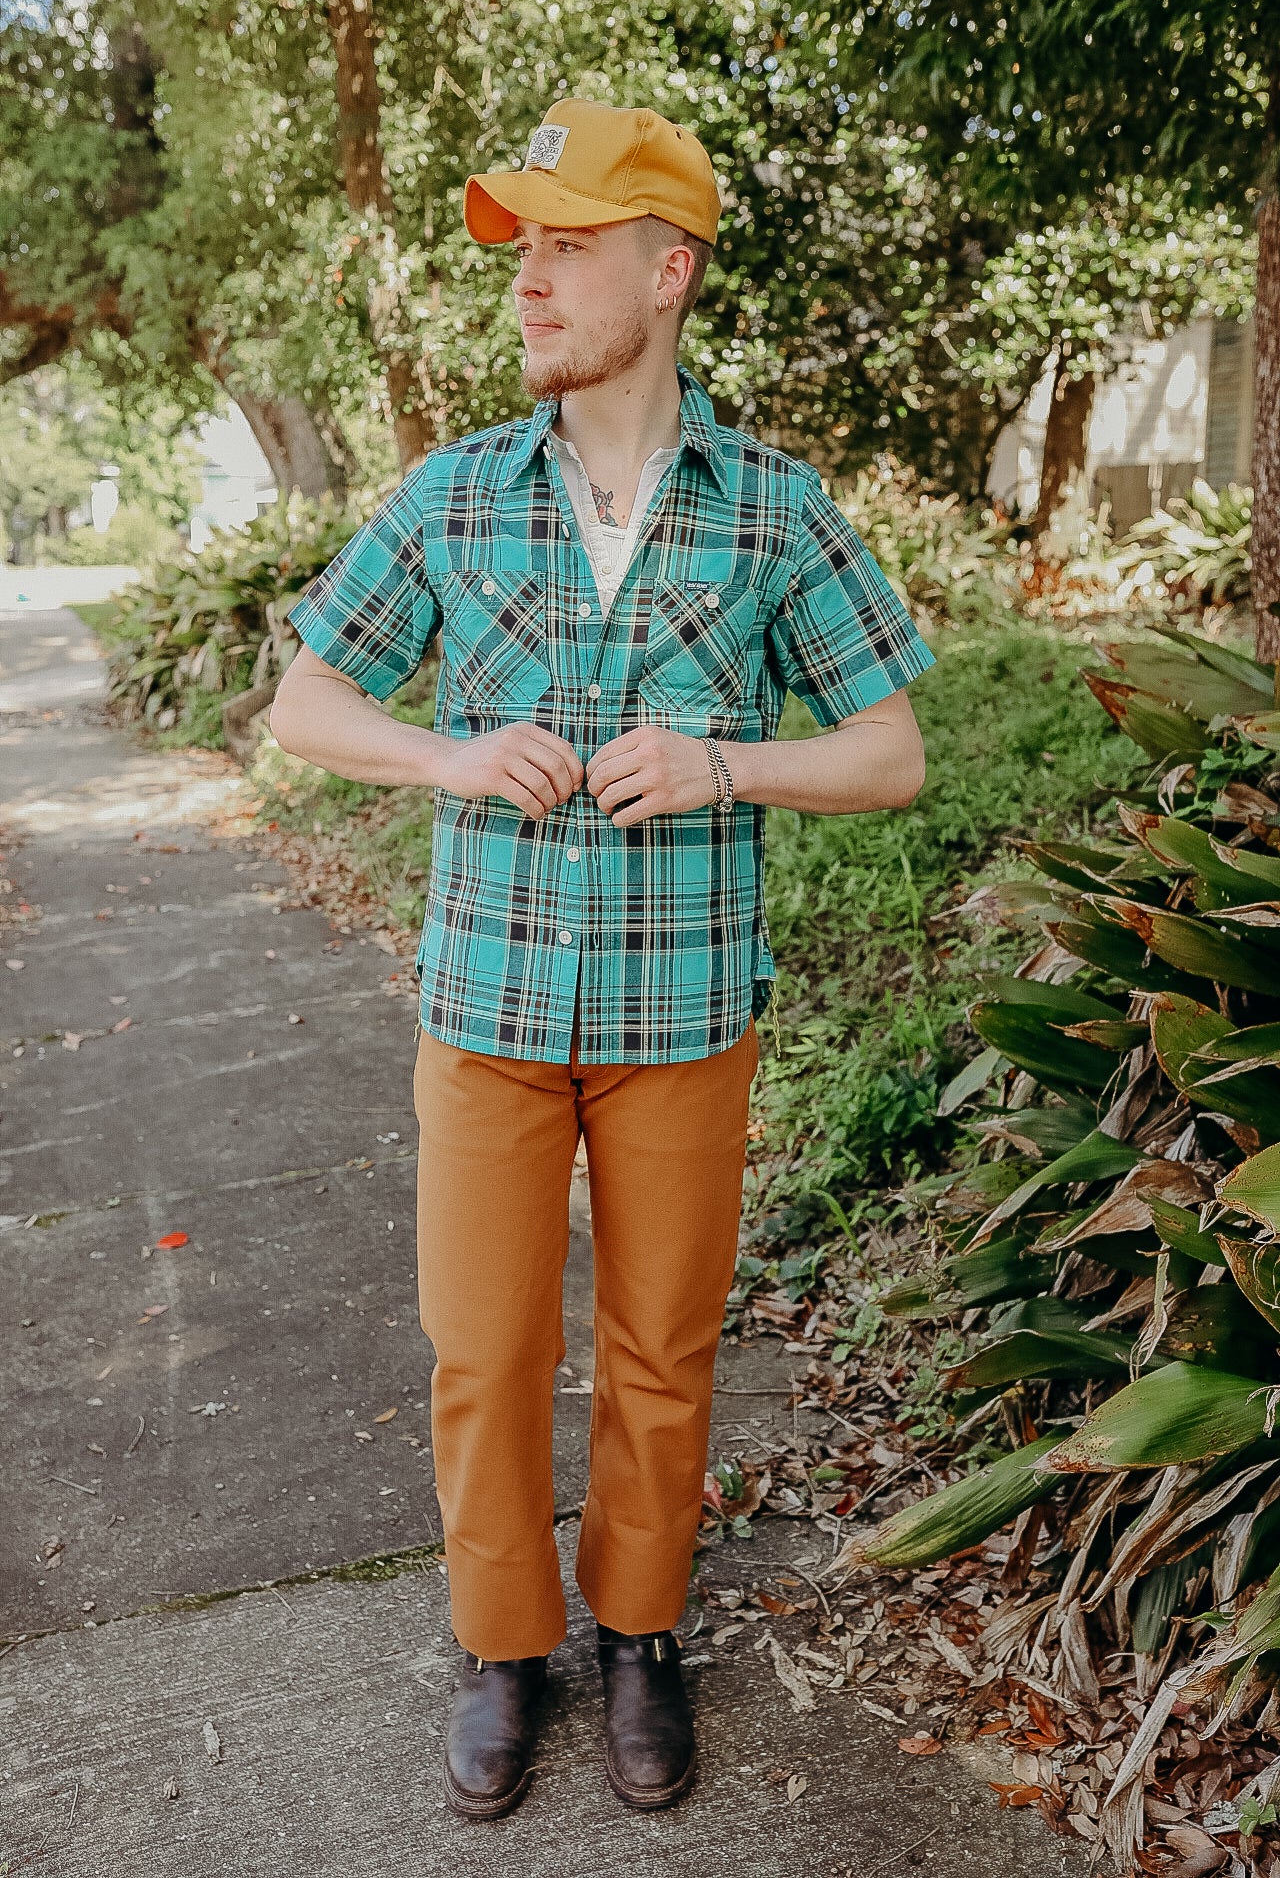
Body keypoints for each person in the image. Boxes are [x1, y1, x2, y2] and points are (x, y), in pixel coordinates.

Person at [270, 95, 935, 1821]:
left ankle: (640, 1637)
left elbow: (891, 752)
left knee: (663, 1349)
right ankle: (505, 1648)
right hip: (485, 1009)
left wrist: (730, 763)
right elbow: (308, 700)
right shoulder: (455, 494)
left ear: (672, 268)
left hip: (685, 1015)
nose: (531, 282)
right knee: (483, 1353)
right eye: (522, 252)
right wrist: (448, 753)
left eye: (569, 247)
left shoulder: (773, 510)